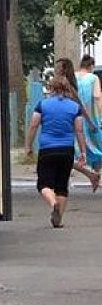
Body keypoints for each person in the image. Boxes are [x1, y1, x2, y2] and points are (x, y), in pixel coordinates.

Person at [26, 68, 92, 227]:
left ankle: (53, 203)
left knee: (43, 184)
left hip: (47, 150)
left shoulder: (42, 105)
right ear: (67, 89)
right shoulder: (74, 107)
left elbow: (34, 125)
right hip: (67, 150)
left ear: (51, 88)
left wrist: (28, 146)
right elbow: (79, 130)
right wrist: (83, 152)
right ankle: (58, 220)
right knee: (62, 186)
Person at [53, 56, 102, 189]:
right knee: (93, 149)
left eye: (57, 67)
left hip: (68, 121)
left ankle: (69, 177)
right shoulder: (90, 79)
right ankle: (94, 175)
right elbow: (91, 99)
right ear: (91, 66)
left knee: (67, 151)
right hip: (82, 120)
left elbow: (74, 101)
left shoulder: (68, 80)